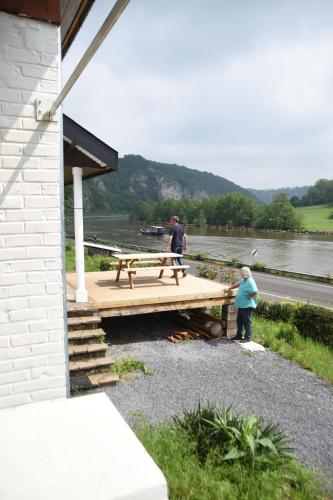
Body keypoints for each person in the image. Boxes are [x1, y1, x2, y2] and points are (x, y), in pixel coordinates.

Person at [224, 267, 258, 343]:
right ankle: (239, 335)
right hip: (242, 305)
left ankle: (248, 337)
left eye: (241, 273)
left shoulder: (250, 281)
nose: (241, 275)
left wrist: (250, 296)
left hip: (247, 306)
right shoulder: (244, 280)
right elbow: (237, 284)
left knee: (246, 322)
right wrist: (229, 288)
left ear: (244, 274)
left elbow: (255, 291)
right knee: (239, 321)